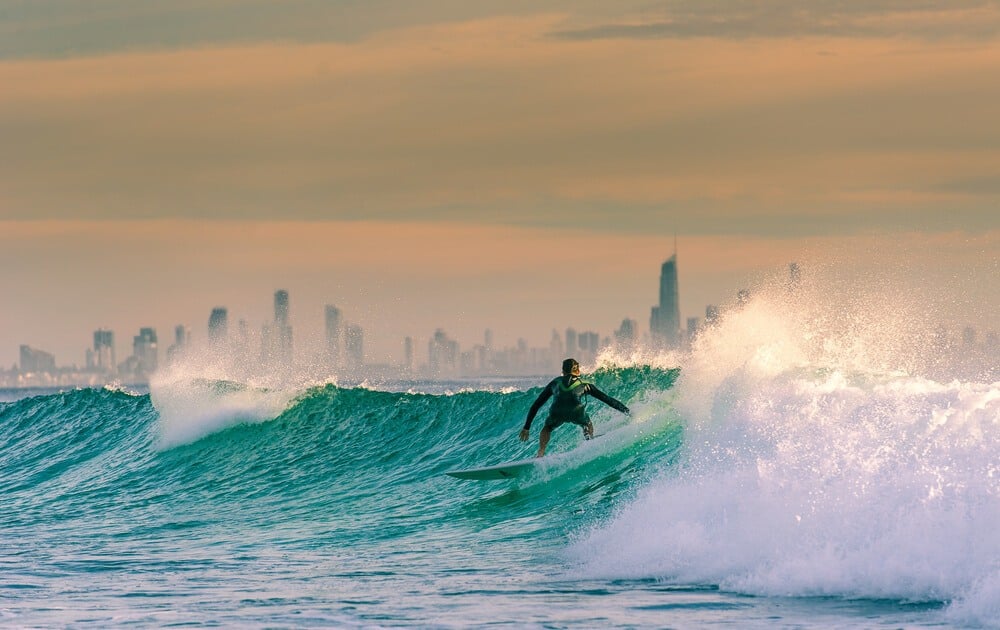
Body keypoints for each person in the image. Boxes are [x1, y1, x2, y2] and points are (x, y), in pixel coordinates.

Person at [519, 358, 630, 457]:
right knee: (587, 424)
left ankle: (541, 452)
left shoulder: (555, 383)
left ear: (563, 371)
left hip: (557, 412)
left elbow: (536, 404)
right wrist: (627, 411)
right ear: (577, 370)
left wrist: (526, 427)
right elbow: (607, 399)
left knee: (547, 428)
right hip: (576, 411)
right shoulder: (585, 383)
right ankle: (590, 441)